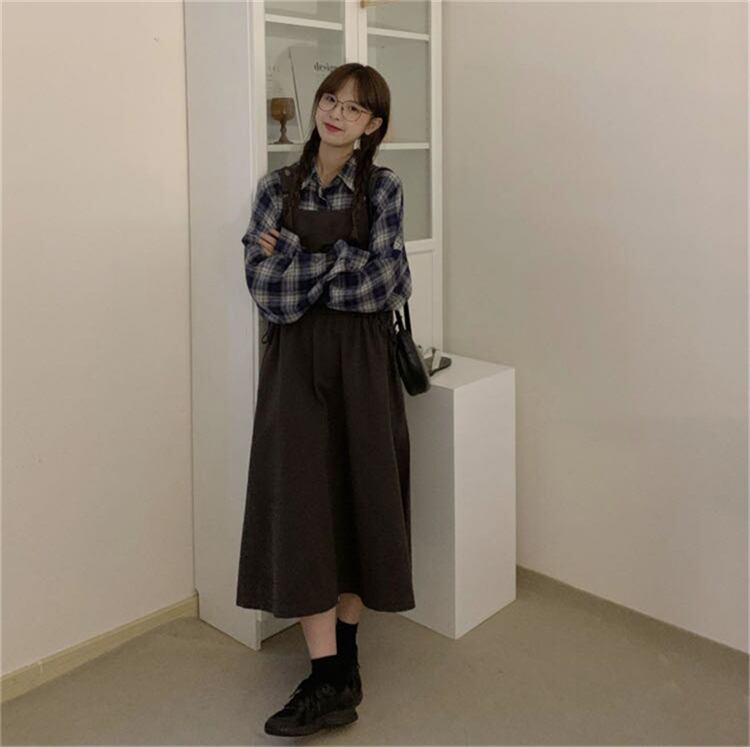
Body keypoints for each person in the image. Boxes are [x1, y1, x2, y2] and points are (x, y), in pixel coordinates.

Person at [235, 63, 416, 737]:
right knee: (303, 506)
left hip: (365, 367)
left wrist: (299, 255)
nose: (336, 114)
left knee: (363, 498)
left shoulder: (385, 187)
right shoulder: (274, 189)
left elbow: (390, 282)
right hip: (294, 370)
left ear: (373, 125)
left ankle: (344, 662)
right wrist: (345, 258)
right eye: (330, 99)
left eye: (354, 108)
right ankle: (325, 673)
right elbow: (266, 292)